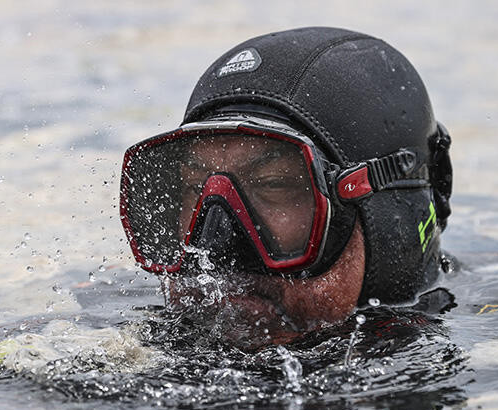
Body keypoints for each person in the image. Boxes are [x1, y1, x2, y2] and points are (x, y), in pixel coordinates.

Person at [118, 27, 452, 346]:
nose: (215, 247)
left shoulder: (492, 342)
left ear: (390, 216)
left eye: (274, 184)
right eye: (195, 188)